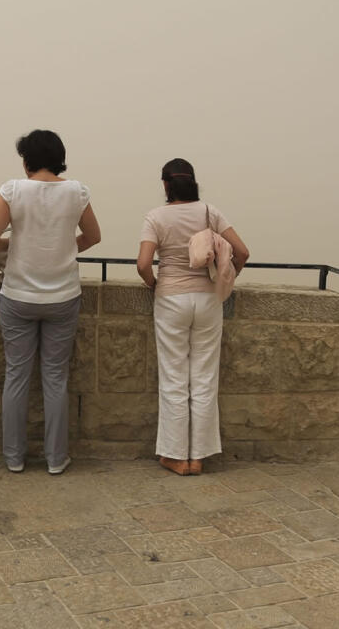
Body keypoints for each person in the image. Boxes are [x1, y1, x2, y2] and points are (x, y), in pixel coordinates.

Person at [0, 129, 101, 474]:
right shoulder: (76, 192)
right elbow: (94, 236)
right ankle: (56, 459)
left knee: (16, 376)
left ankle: (14, 458)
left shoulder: (13, 190)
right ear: (59, 157)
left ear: (27, 160)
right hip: (63, 296)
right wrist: (62, 247)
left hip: (17, 296)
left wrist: (16, 245)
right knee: (55, 378)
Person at [136, 158, 249, 476]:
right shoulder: (210, 212)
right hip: (208, 299)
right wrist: (226, 278)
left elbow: (144, 264)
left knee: (174, 378)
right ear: (193, 182)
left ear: (165, 184)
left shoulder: (155, 217)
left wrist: (156, 284)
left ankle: (175, 456)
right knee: (204, 377)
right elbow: (242, 252)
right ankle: (198, 457)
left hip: (171, 299)